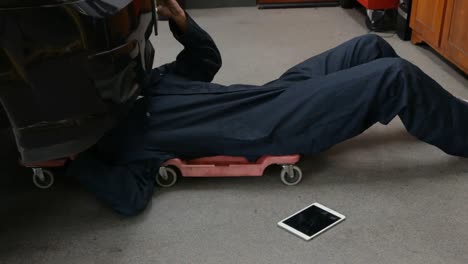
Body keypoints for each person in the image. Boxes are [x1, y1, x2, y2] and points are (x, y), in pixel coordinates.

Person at [68, 0, 468, 216]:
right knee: (393, 75)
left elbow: (205, 62)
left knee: (370, 47)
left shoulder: (146, 84)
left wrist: (181, 18)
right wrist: (77, 155)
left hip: (272, 93)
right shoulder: (123, 141)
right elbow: (129, 199)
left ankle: (434, 114)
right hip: (274, 123)